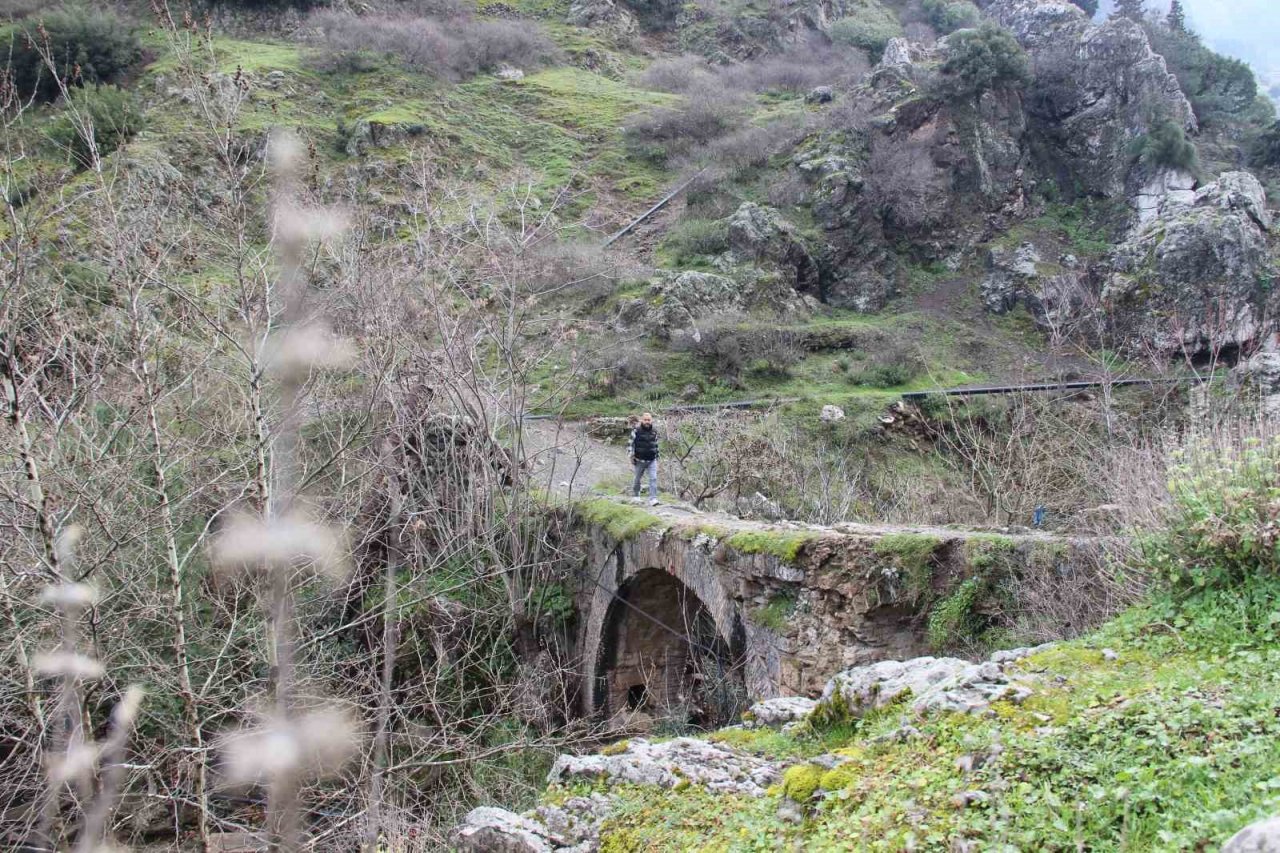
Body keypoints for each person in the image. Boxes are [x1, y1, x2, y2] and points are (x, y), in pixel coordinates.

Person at [628, 412, 660, 505]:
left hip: (652, 460)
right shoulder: (636, 431)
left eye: (649, 420)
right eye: (645, 420)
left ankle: (653, 499)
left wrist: (658, 459)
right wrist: (631, 456)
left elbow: (656, 445)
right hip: (639, 460)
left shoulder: (654, 431)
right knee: (637, 478)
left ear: (651, 420)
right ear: (642, 420)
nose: (647, 421)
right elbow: (630, 444)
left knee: (653, 478)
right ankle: (636, 496)